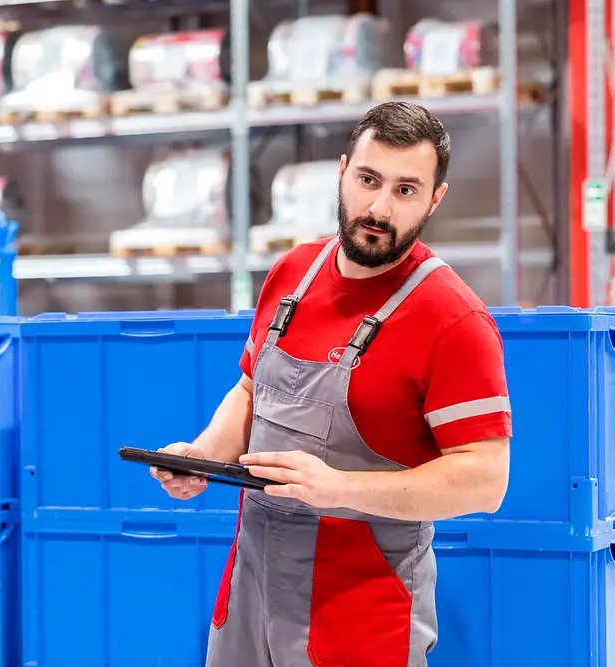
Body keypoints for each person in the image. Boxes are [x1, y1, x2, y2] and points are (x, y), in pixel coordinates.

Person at [151, 101, 511, 667]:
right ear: (342, 171)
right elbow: (251, 391)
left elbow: (485, 479)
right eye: (368, 179)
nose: (379, 207)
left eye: (406, 190)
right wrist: (202, 457)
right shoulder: (292, 273)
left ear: (435, 199)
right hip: (249, 596)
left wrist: (337, 488)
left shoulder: (453, 320)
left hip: (361, 620)